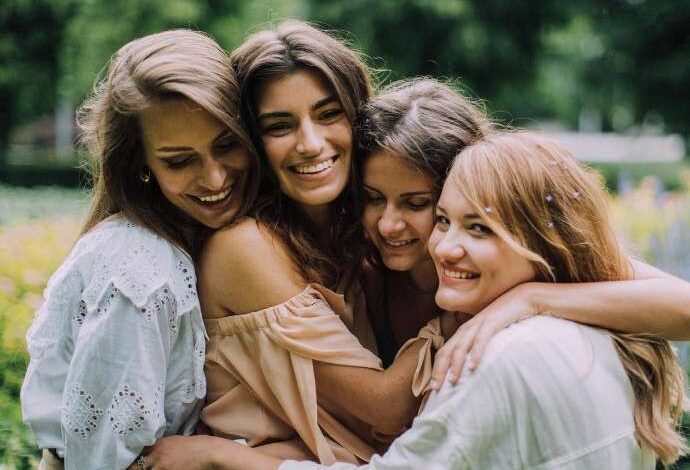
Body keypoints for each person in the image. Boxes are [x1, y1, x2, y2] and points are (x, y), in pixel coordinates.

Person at [161, 131, 686, 469]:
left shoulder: (496, 354)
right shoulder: (590, 320)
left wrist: (217, 459)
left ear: (542, 241)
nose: (443, 244)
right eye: (444, 220)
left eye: (478, 228)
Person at [157, 21, 433, 466]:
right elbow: (385, 410)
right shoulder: (245, 247)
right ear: (251, 141)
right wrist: (471, 313)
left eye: (328, 115)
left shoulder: (360, 237)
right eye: (279, 126)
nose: (310, 144)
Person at [353, 78, 690, 389]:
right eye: (373, 198)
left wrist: (532, 297)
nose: (388, 225)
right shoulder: (362, 273)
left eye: (416, 204)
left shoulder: (514, 263)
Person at [20, 29, 258, 470]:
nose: (216, 178)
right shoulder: (140, 272)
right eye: (180, 160)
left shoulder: (188, 238)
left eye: (227, 144)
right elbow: (104, 462)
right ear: (140, 164)